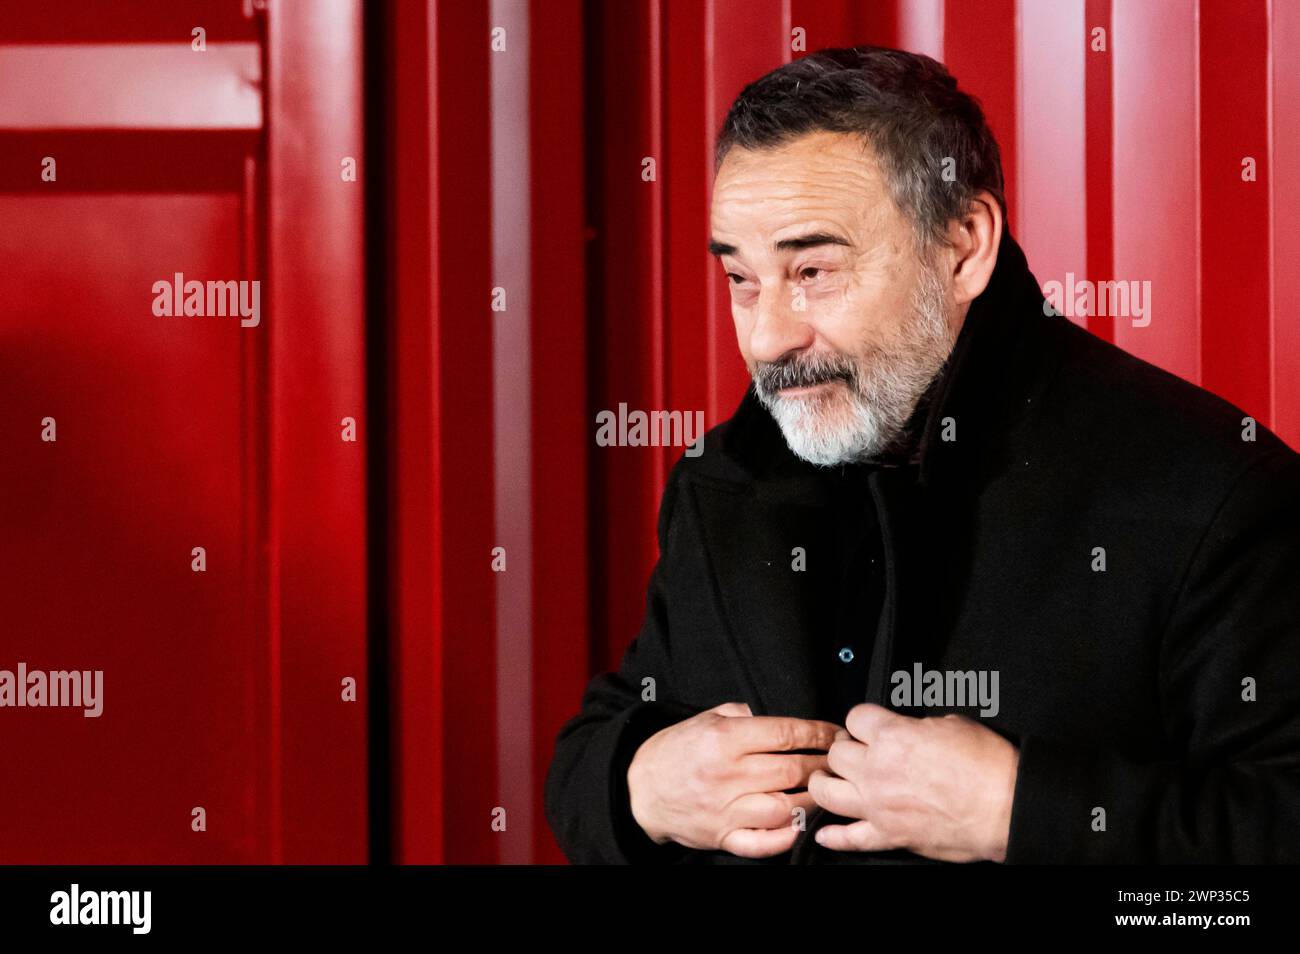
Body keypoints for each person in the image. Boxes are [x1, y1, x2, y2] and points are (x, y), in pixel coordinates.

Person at [544, 46, 1300, 864]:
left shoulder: (1213, 494)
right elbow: (592, 748)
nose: (766, 338)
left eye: (814, 269)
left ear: (965, 246)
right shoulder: (726, 480)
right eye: (742, 279)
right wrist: (641, 784)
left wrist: (1020, 810)